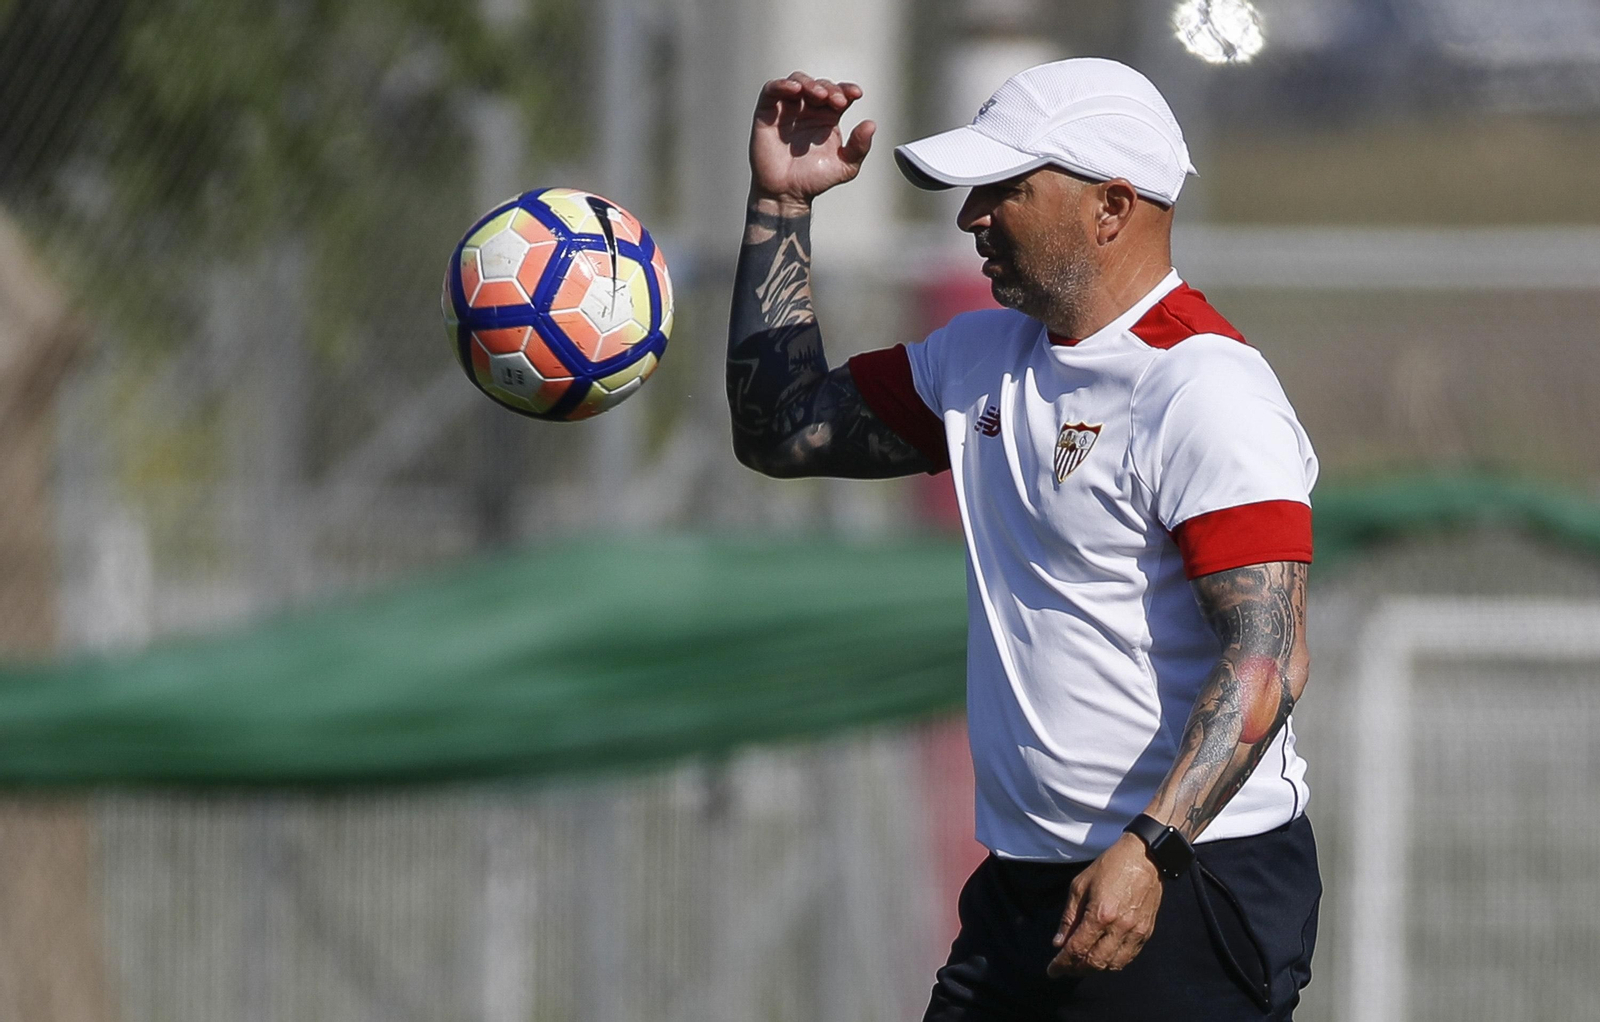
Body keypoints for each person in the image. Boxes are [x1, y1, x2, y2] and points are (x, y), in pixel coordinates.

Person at [726, 58, 1320, 1021]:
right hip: (1022, 889)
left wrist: (1150, 851)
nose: (971, 217)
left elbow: (1270, 661)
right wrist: (781, 205)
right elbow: (782, 427)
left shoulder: (1205, 390)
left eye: (1005, 189)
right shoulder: (978, 359)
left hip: (1187, 882)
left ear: (1114, 206)